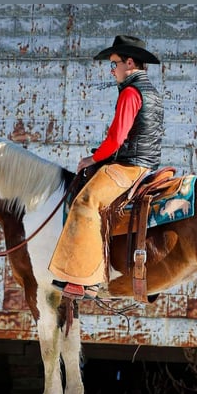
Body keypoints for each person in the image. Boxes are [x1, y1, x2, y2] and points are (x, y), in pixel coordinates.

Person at [49, 35, 164, 300]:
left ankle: (83, 281)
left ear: (130, 62)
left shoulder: (131, 92)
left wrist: (94, 159)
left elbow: (116, 139)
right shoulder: (153, 93)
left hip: (129, 166)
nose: (112, 70)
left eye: (114, 64)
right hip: (147, 165)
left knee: (85, 202)